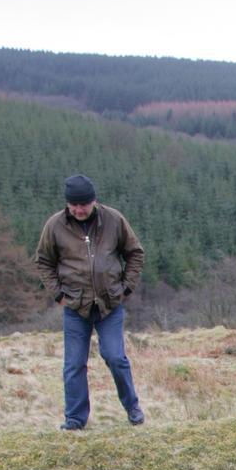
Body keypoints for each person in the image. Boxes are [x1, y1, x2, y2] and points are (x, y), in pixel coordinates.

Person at [34, 174, 147, 429]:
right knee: (73, 364)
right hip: (75, 307)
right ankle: (75, 419)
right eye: (74, 205)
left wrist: (126, 288)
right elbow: (43, 261)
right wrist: (58, 294)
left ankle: (133, 409)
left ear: (93, 201)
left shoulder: (114, 220)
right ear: (67, 204)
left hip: (110, 305)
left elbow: (135, 253)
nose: (78, 209)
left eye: (83, 204)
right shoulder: (54, 225)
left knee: (115, 357)